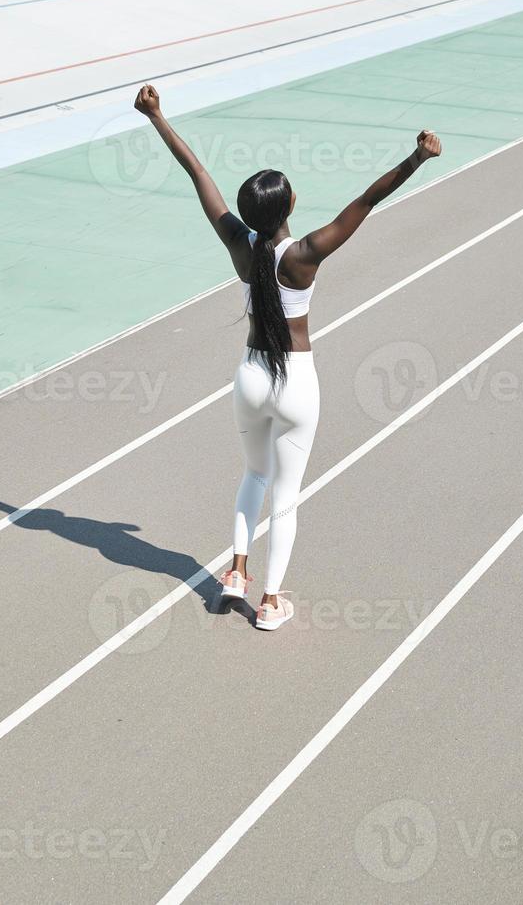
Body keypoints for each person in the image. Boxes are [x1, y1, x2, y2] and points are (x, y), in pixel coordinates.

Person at [135, 83, 441, 630]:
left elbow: (197, 173)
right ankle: (271, 602)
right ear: (288, 207)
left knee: (253, 475)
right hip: (296, 380)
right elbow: (368, 201)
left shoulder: (238, 244)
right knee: (287, 496)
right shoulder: (305, 254)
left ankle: (236, 572)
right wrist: (417, 157)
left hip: (251, 377)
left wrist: (156, 116)